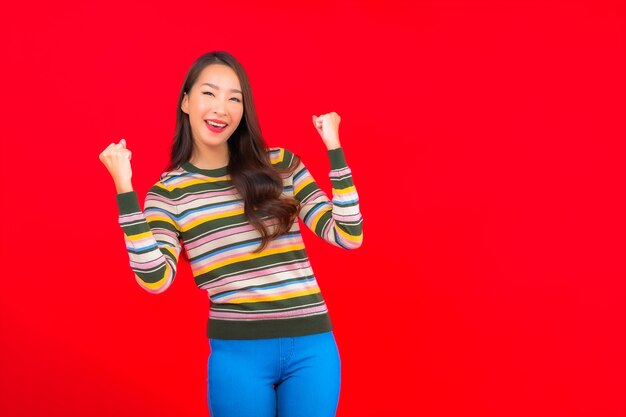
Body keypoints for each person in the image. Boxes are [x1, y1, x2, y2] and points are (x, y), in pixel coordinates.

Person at [99, 51, 363, 417]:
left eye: (234, 98)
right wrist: (125, 189)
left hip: (312, 348)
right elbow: (156, 279)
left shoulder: (281, 165)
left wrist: (334, 150)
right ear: (186, 102)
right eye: (209, 93)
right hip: (238, 356)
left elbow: (348, 234)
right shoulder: (168, 194)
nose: (221, 107)